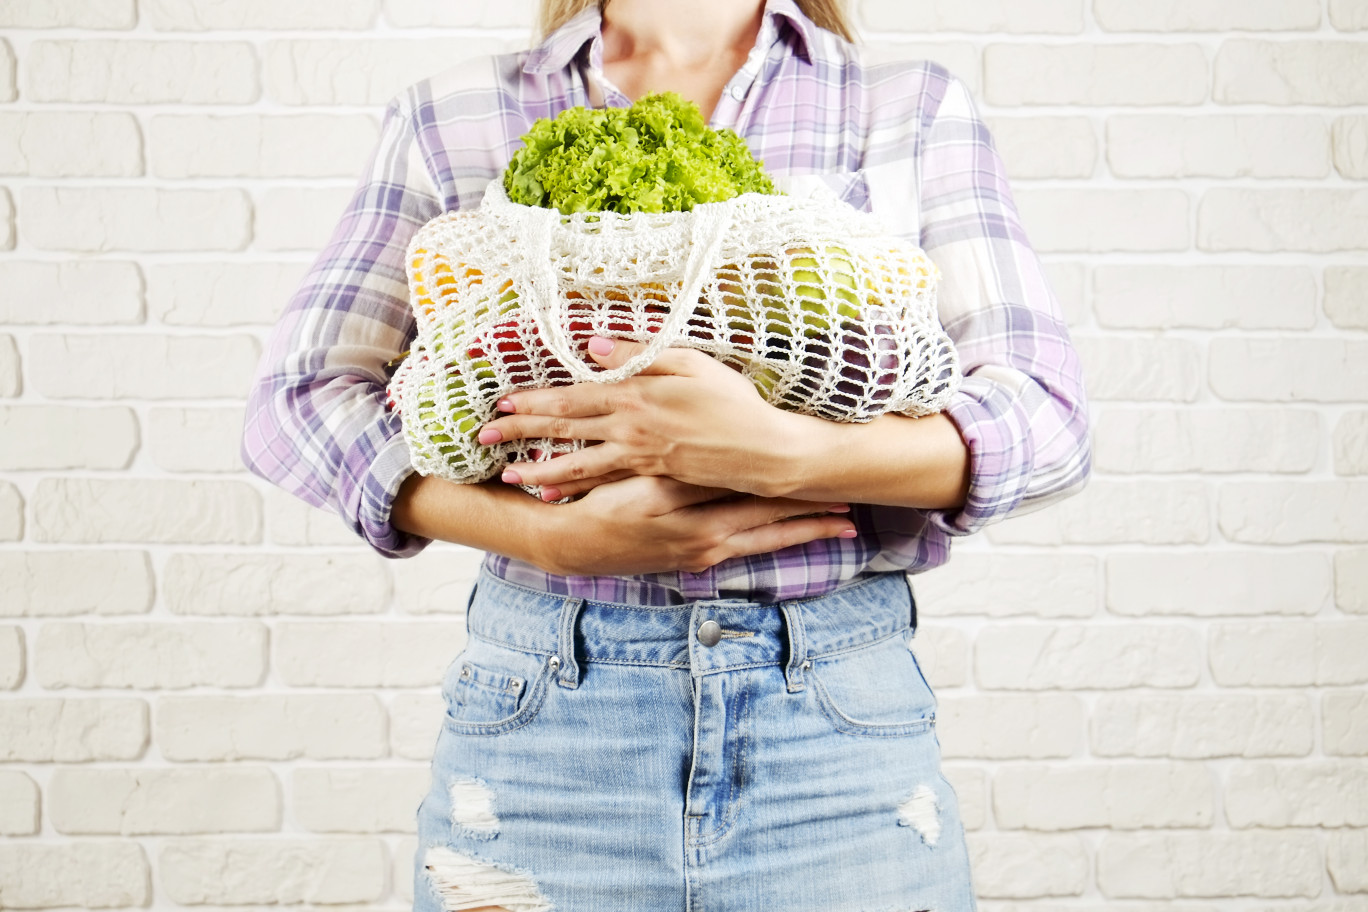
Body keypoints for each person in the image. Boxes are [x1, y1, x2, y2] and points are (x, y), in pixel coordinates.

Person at [242, 0, 1091, 909]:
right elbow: (299, 401)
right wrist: (542, 539)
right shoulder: (456, 114)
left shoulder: (903, 107)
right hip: (548, 730)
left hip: (834, 737)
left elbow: (1042, 418)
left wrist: (785, 453)